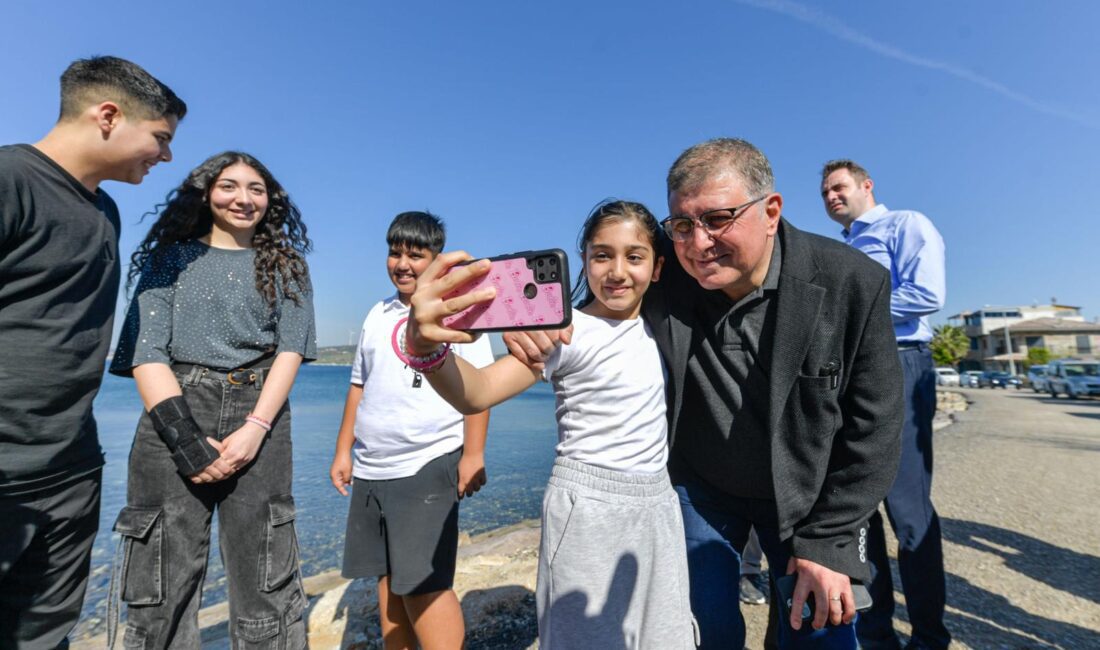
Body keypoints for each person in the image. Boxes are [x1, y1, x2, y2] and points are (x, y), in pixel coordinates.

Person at [504, 138, 904, 649]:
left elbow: (876, 429)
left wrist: (828, 544)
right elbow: (604, 290)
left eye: (718, 218)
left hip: (811, 497)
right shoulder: (671, 273)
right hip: (704, 491)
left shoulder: (853, 283)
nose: (698, 243)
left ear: (771, 211)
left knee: (822, 635)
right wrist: (526, 325)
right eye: (683, 225)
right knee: (701, 630)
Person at [407, 201, 697, 649]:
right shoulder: (565, 330)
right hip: (587, 510)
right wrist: (424, 347)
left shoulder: (664, 327)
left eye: (634, 257)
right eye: (602, 255)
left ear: (658, 268)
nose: (617, 271)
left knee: (664, 635)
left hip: (657, 505)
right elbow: (478, 391)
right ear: (583, 260)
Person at [0, 56, 184, 649]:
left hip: (69, 467)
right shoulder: (10, 181)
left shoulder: (104, 212)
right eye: (160, 137)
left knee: (44, 634)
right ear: (108, 115)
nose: (165, 156)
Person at [108, 152, 316, 648]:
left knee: (266, 569)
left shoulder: (287, 265)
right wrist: (185, 441)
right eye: (229, 186)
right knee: (159, 577)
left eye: (256, 189)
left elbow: (291, 349)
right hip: (176, 406)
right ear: (206, 193)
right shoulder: (169, 258)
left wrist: (255, 428)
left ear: (272, 200)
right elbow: (148, 353)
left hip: (260, 411)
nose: (244, 198)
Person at [328, 211, 492, 650]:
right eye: (394, 252)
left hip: (427, 461)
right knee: (388, 577)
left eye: (415, 255)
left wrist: (473, 455)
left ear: (438, 259)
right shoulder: (377, 314)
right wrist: (344, 451)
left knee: (425, 583)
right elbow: (358, 385)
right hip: (373, 466)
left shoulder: (460, 311)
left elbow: (480, 390)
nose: (402, 263)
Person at [821, 159, 949, 650]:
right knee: (859, 508)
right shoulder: (841, 247)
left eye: (839, 187)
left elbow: (927, 294)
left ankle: (930, 637)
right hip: (852, 372)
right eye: (825, 192)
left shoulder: (906, 225)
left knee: (908, 507)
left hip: (901, 362)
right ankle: (876, 635)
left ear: (866, 186)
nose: (831, 196)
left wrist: (856, 309)